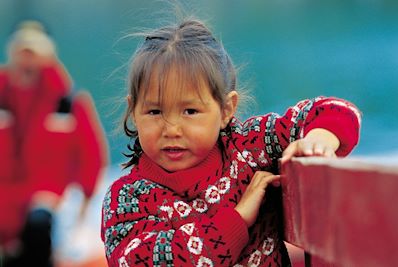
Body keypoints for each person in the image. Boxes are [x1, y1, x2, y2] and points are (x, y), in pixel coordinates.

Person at [100, 18, 361, 266]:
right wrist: (236, 221)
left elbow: (334, 110)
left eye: (190, 111)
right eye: (155, 112)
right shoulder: (128, 198)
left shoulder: (247, 149)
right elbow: (135, 261)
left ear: (226, 110)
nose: (172, 129)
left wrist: (317, 140)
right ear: (134, 112)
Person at [0, 21, 108, 266]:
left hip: (51, 203)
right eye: (22, 51)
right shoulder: (2, 95)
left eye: (34, 53)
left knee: (39, 226)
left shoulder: (68, 102)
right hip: (6, 199)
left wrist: (82, 201)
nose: (28, 61)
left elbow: (91, 157)